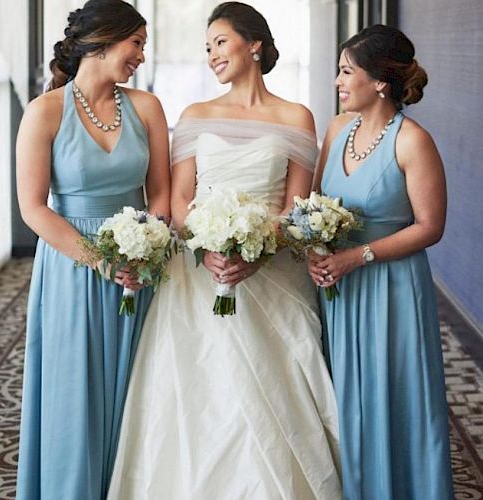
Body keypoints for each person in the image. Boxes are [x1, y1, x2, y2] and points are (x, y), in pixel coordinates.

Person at [107, 2, 341, 499]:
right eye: (206, 48)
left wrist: (256, 250)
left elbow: (296, 208)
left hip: (272, 272)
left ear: (253, 44)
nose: (211, 55)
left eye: (219, 42)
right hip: (198, 274)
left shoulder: (296, 116)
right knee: (202, 392)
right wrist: (209, 247)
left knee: (277, 392)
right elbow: (180, 201)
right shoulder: (195, 115)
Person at [15, 0, 171, 498]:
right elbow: (34, 208)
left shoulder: (148, 107)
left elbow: (163, 195)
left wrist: (147, 248)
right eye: (137, 44)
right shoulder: (44, 112)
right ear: (103, 40)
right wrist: (102, 261)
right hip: (72, 268)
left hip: (140, 269)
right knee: (73, 396)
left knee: (136, 392)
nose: (141, 56)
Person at [309, 24, 454, 500]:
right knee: (340, 396)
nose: (338, 82)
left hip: (390, 288)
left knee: (391, 396)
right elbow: (313, 203)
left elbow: (429, 226)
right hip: (336, 286)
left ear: (379, 83)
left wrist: (360, 254)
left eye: (347, 72)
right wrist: (315, 248)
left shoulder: (413, 141)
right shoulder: (336, 129)